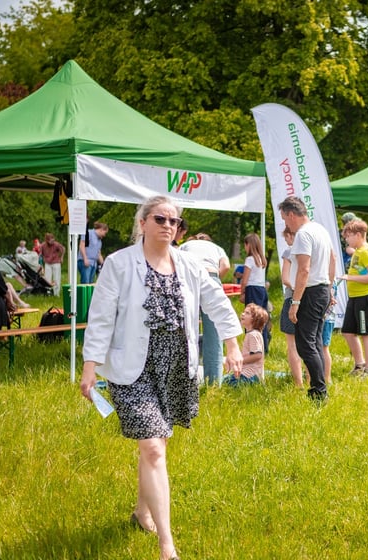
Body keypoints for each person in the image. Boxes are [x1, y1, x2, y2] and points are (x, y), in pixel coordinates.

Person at [80, 196, 243, 560]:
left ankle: (142, 511)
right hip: (132, 369)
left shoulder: (187, 263)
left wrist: (232, 344)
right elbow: (102, 315)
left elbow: (216, 301)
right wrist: (90, 364)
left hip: (175, 366)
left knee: (156, 446)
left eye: (175, 222)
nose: (169, 226)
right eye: (161, 219)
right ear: (143, 222)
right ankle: (167, 546)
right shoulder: (120, 264)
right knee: (153, 446)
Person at [278, 196, 335, 401]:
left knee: (305, 345)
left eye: (285, 219)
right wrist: (330, 288)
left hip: (310, 293)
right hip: (322, 290)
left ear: (292, 214)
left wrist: (295, 302)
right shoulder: (321, 230)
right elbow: (332, 260)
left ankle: (319, 391)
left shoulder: (303, 234)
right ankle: (320, 388)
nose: (286, 223)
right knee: (316, 341)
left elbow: (303, 270)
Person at [179, 232, 231, 385]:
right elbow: (226, 266)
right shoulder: (216, 248)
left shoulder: (185, 245)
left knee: (188, 330)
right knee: (214, 335)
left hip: (189, 280)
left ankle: (185, 380)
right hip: (211, 276)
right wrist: (212, 280)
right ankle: (214, 383)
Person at [337, 218, 368, 380]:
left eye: (348, 236)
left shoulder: (366, 252)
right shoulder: (357, 251)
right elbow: (361, 272)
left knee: (366, 333)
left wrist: (349, 278)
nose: (346, 240)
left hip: (365, 298)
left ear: (357, 235)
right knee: (348, 331)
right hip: (354, 297)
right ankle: (359, 364)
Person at [278, 228, 305, 387]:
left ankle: (298, 383)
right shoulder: (310, 251)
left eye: (286, 238)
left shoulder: (289, 252)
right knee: (309, 343)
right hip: (308, 299)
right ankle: (311, 378)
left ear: (290, 235)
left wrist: (295, 288)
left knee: (292, 345)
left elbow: (285, 278)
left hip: (291, 299)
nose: (286, 241)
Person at [240, 232, 270, 353]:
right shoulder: (261, 259)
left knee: (251, 319)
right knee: (261, 318)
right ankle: (264, 346)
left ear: (249, 245)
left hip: (252, 289)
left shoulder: (250, 259)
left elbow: (245, 280)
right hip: (261, 289)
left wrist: (242, 292)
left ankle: (252, 346)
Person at [224, 304, 267, 386]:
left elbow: (257, 355)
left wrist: (239, 361)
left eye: (247, 313)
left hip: (250, 376)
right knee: (226, 379)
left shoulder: (253, 335)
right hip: (248, 374)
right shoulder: (251, 334)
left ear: (255, 319)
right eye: (244, 312)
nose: (242, 314)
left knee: (225, 382)